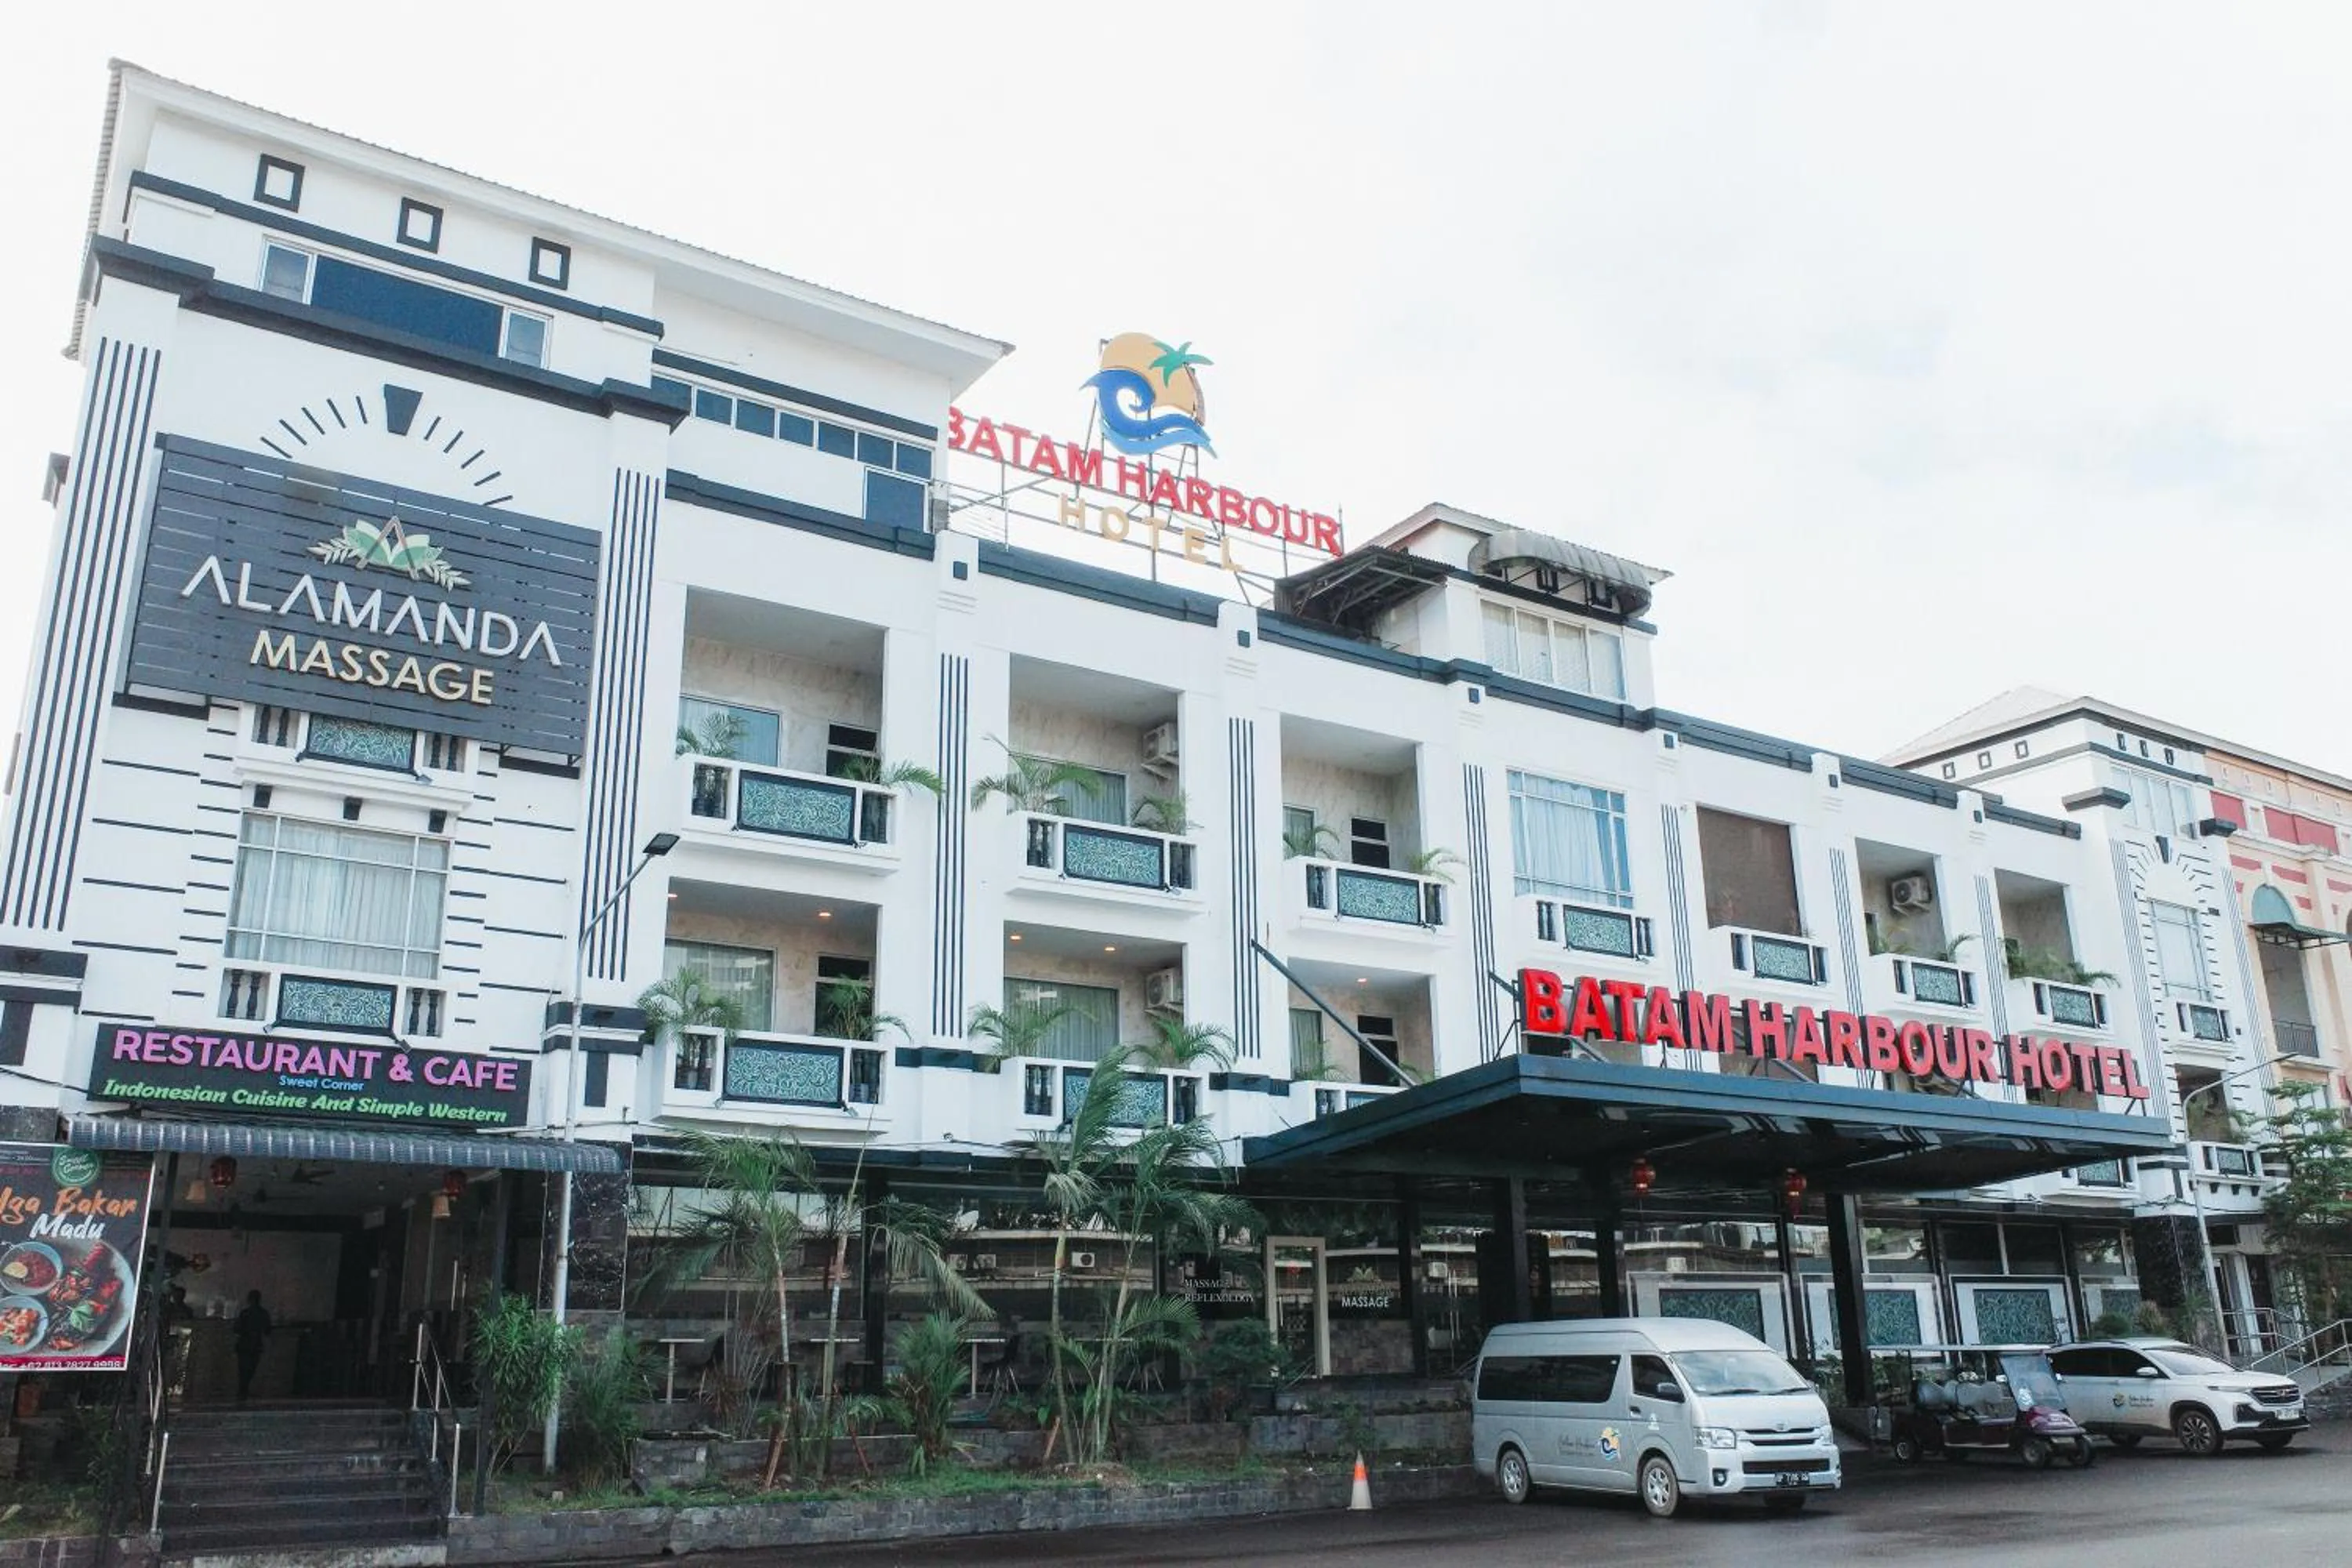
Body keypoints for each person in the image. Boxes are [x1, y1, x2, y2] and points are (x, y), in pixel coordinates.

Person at [233, 1290, 271, 1404]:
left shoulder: (245, 1313)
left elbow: (237, 1329)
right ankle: (244, 1389)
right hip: (255, 1345)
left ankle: (242, 1390)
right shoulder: (263, 1313)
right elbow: (267, 1330)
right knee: (251, 1368)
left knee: (243, 1368)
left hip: (244, 1344)